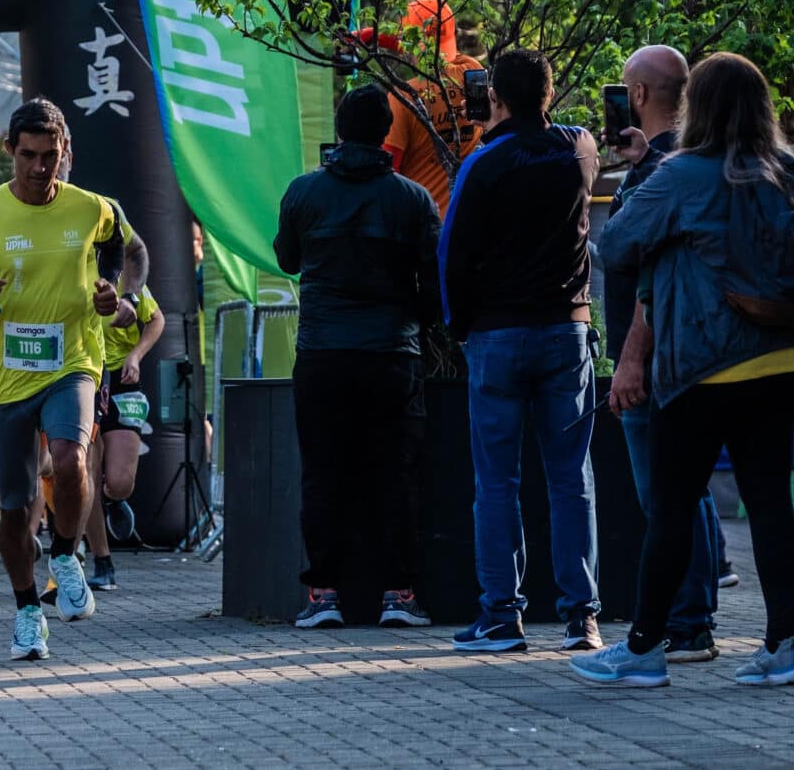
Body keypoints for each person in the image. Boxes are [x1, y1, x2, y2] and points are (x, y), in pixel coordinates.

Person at [577, 52, 794, 688]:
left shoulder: (682, 175)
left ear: (695, 107)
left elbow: (618, 245)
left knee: (673, 506)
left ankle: (646, 649)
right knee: (768, 503)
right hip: (786, 355)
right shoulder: (788, 173)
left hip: (705, 361)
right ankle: (782, 647)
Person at [0, 98, 144, 661]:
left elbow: (127, 249)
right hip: (7, 377)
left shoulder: (92, 207)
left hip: (73, 360)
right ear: (9, 153)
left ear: (64, 153)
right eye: (28, 156)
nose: (40, 168)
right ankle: (26, 612)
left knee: (70, 459)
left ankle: (67, 555)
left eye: (50, 156)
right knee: (15, 508)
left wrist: (120, 291)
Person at [440, 49, 602, 654]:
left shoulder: (483, 165)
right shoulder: (577, 151)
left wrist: (461, 328)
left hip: (499, 337)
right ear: (550, 95)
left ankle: (502, 617)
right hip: (567, 331)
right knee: (571, 479)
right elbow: (585, 142)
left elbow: (453, 256)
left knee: (497, 481)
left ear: (492, 99)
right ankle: (582, 617)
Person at [272, 84, 441, 630]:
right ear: (385, 133)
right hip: (392, 351)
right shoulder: (413, 198)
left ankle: (323, 594)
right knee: (397, 474)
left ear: (340, 132)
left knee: (323, 473)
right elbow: (432, 282)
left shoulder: (303, 192)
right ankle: (400, 593)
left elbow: (289, 259)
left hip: (321, 351)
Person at [597, 45, 721, 663]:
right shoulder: (686, 162)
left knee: (664, 497)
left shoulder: (663, 175)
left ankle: (688, 621)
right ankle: (694, 613)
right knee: (685, 490)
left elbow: (640, 268)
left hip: (651, 358)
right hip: (691, 352)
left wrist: (629, 360)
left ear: (639, 97)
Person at [83, 283, 164, 592]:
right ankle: (102, 562)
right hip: (84, 374)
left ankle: (113, 499)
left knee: (119, 482)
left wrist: (136, 356)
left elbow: (157, 319)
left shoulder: (127, 279)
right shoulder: (71, 263)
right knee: (85, 473)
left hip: (121, 378)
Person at [382, 0, 483, 215]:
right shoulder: (471, 72)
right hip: (465, 223)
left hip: (421, 226)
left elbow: (387, 173)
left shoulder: (402, 98)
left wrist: (368, 38)